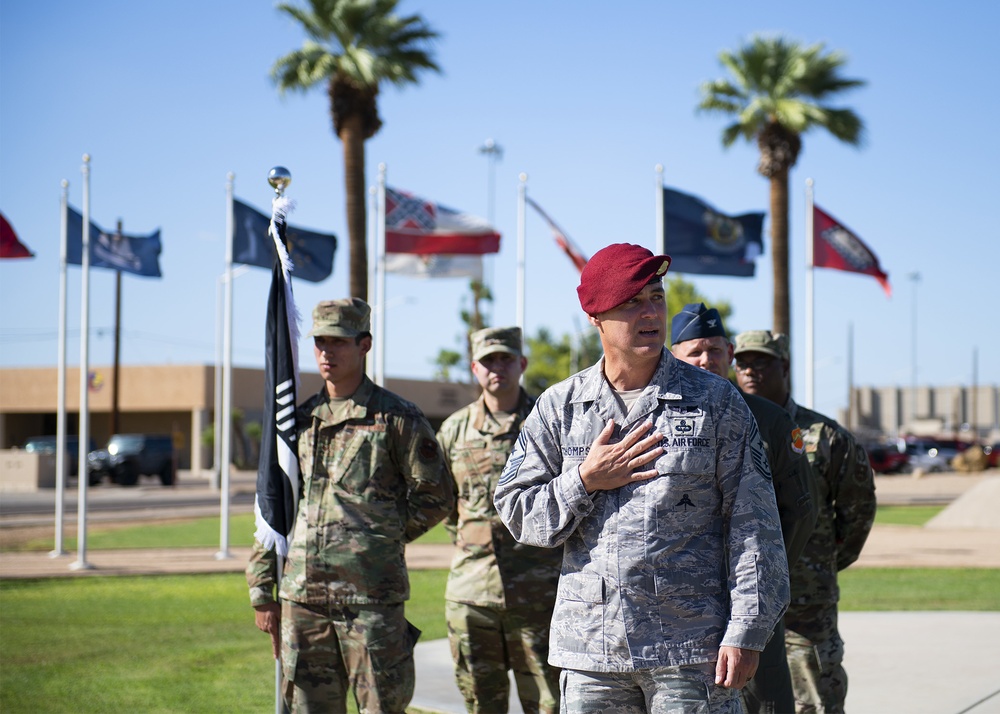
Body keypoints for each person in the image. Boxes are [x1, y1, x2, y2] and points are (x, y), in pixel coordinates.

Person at [494, 243, 790, 714]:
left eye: (656, 296)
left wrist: (747, 630)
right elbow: (517, 512)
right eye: (631, 302)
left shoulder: (715, 402)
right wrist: (585, 479)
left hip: (692, 652)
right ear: (595, 316)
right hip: (592, 653)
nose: (650, 312)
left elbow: (755, 527)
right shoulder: (560, 406)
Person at [246, 297, 456, 713]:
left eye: (339, 342)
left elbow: (438, 496)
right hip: (303, 598)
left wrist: (381, 536)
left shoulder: (398, 418)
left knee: (381, 706)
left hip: (370, 597)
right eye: (320, 342)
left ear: (364, 345)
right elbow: (276, 504)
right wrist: (260, 585)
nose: (327, 352)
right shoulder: (300, 422)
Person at [671, 303, 817, 714]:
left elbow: (802, 510)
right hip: (675, 610)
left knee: (763, 701)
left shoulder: (768, 420)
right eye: (695, 351)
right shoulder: (656, 415)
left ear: (730, 353)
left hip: (748, 604)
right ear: (674, 356)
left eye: (715, 350)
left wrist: (759, 576)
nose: (707, 360)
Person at [734, 330, 876, 714]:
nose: (750, 372)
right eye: (743, 363)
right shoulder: (727, 427)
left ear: (784, 366)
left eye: (761, 362)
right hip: (740, 606)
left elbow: (857, 512)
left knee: (814, 702)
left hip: (804, 606)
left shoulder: (825, 436)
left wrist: (820, 562)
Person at [437, 326, 562, 714]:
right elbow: (444, 503)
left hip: (540, 594)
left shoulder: (549, 421)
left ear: (521, 363)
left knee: (550, 703)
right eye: (488, 360)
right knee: (481, 703)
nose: (498, 368)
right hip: (473, 594)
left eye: (506, 358)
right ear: (474, 367)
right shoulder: (454, 430)